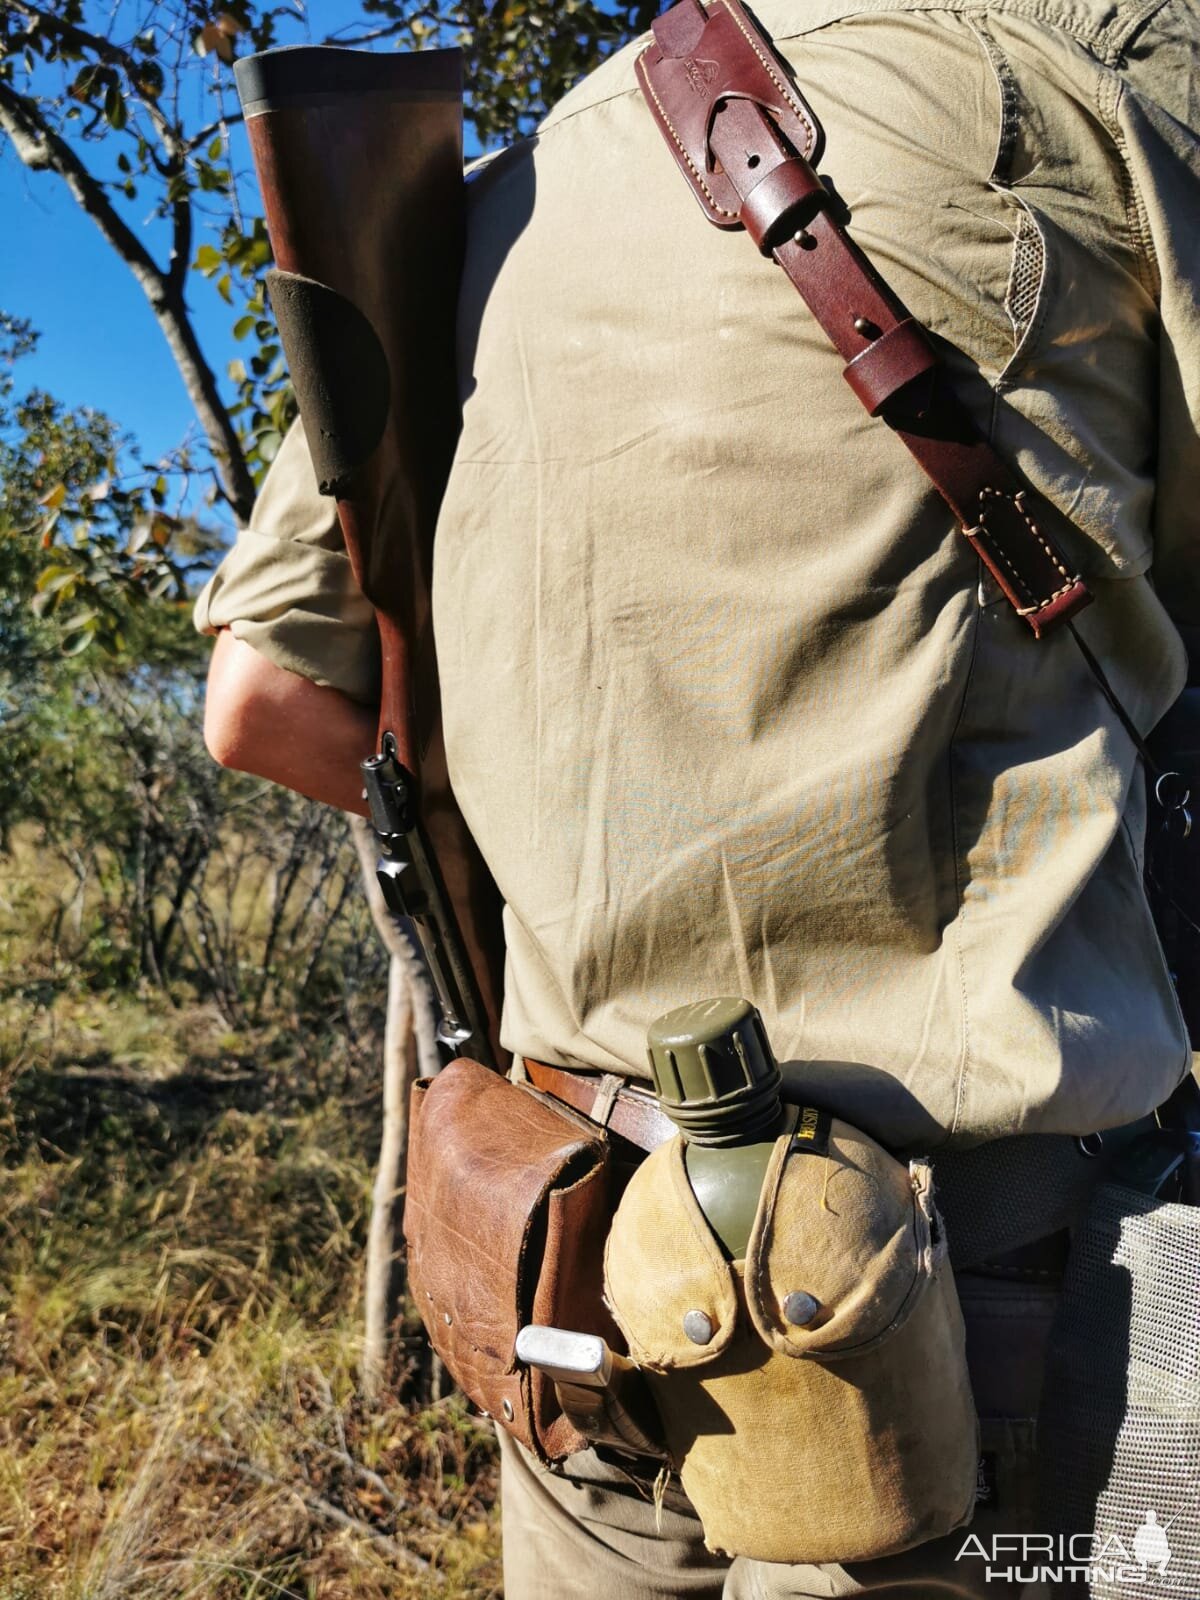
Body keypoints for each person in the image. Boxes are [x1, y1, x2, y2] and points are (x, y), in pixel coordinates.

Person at [197, 0, 1200, 1592]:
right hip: (981, 1313)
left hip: (573, 1278)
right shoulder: (1112, 71)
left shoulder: (472, 203)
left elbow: (261, 703)